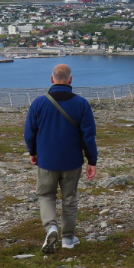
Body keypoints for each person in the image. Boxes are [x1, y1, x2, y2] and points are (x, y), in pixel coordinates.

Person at [24, 63, 98, 254]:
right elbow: (88, 136)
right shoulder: (82, 104)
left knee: (46, 195)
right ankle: (68, 238)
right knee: (69, 198)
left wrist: (32, 152)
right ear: (70, 80)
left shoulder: (39, 103)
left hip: (47, 161)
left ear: (52, 79)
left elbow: (29, 132)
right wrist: (92, 161)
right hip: (72, 162)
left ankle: (51, 227)